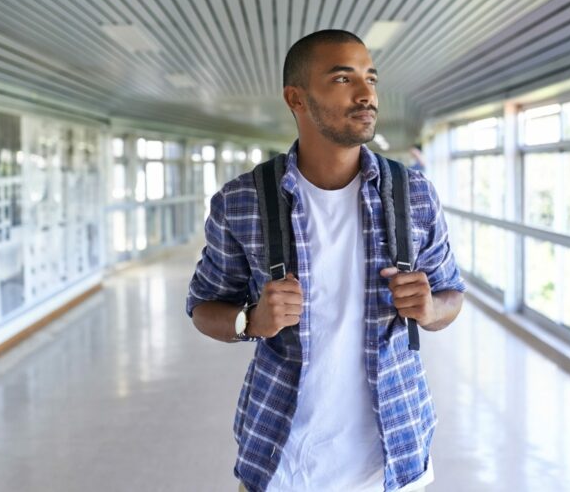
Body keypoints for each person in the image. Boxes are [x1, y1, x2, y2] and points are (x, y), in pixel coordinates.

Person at [186, 30, 465, 492]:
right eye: (342, 78)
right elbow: (203, 307)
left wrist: (431, 309)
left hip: (394, 460)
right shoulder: (242, 201)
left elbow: (451, 293)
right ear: (296, 98)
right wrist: (252, 321)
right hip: (280, 461)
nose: (366, 94)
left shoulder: (412, 194)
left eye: (370, 78)